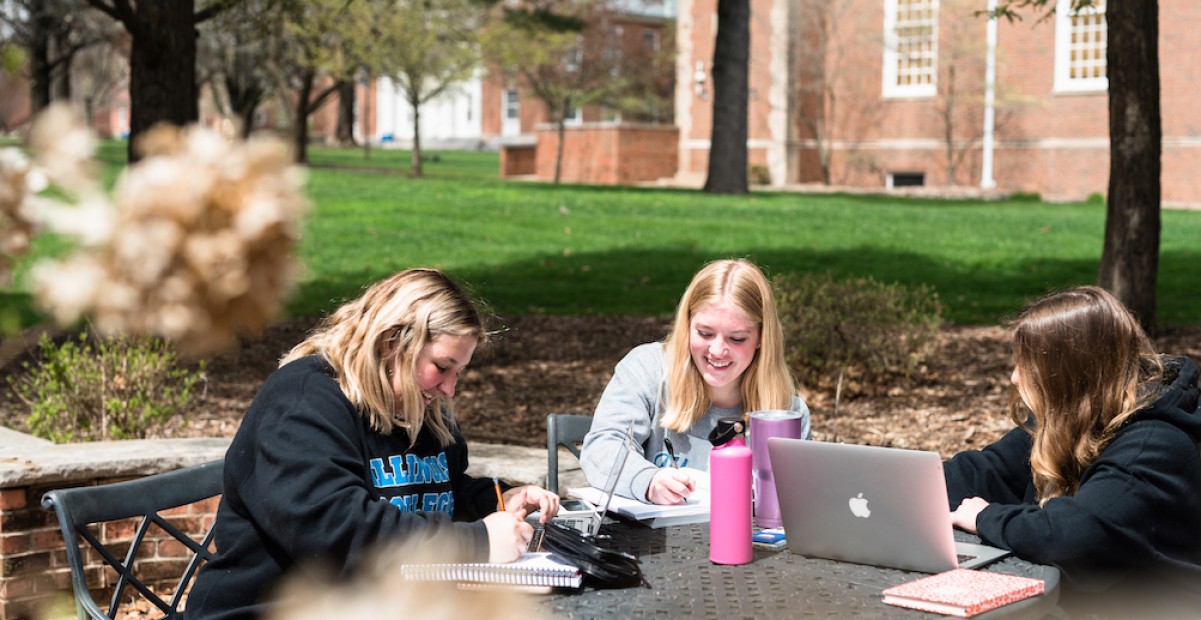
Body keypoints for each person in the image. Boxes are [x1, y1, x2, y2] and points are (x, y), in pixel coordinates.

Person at [188, 269, 559, 620]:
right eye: (442, 367)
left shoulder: (421, 409)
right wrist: (477, 542)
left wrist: (497, 501)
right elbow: (338, 534)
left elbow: (435, 493)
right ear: (391, 343)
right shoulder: (303, 404)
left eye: (458, 373)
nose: (449, 388)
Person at [944, 286, 1201, 614]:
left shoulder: (1154, 446)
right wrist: (912, 487)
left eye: (1027, 365)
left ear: (1068, 374)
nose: (1013, 377)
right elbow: (988, 470)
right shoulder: (1074, 418)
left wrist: (984, 517)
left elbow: (1075, 536)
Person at [579, 258, 811, 505]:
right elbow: (603, 448)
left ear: (761, 338)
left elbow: (801, 503)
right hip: (652, 540)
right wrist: (648, 480)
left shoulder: (786, 414)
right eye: (705, 333)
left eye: (737, 338)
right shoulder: (647, 369)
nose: (718, 350)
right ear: (686, 325)